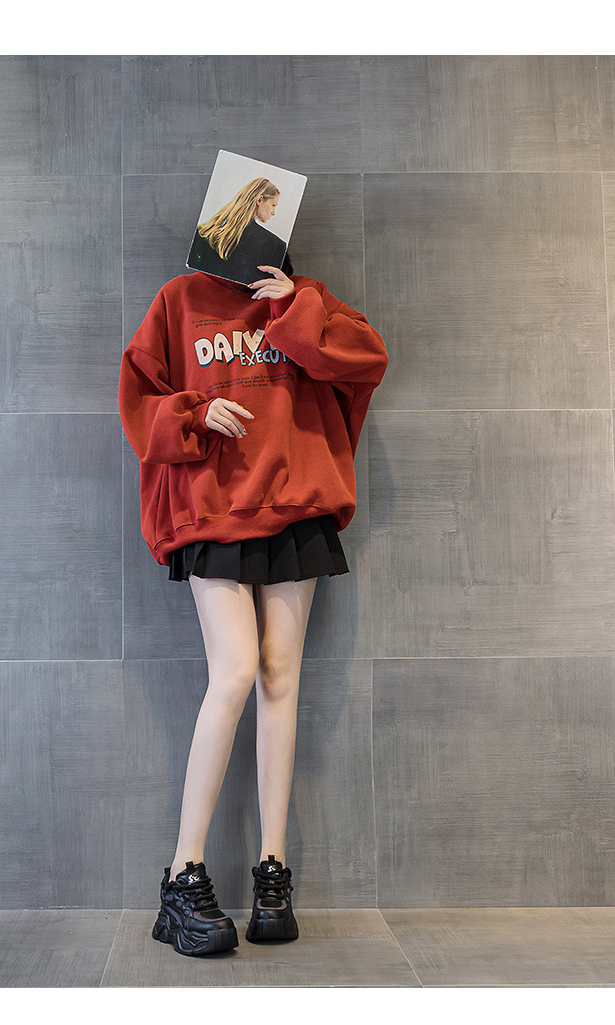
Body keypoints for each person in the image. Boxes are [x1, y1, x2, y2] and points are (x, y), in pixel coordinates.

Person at [119, 253, 388, 957]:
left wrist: (293, 306)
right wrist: (195, 411)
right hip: (213, 508)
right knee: (235, 671)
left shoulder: (305, 298)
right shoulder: (180, 297)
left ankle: (273, 874)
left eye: (272, 205)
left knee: (279, 679)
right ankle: (183, 874)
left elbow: (366, 360)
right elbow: (138, 400)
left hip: (295, 501)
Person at [187, 177, 287, 284]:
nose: (273, 213)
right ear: (259, 200)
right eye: (273, 205)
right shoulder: (275, 245)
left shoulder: (205, 230)